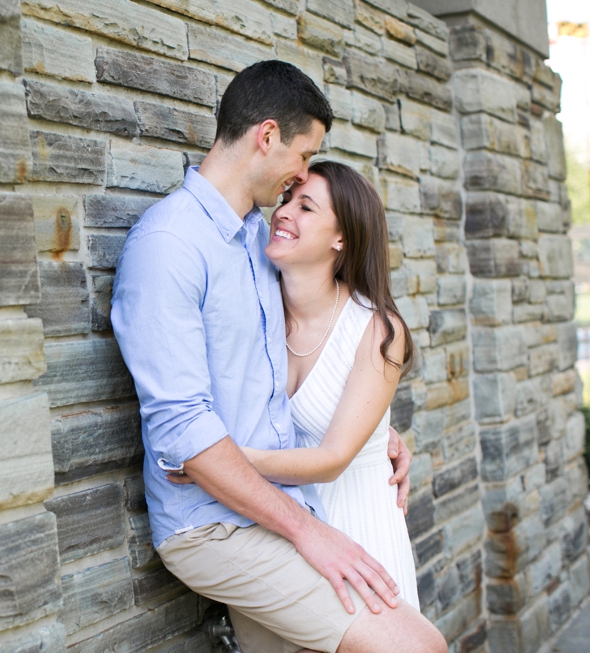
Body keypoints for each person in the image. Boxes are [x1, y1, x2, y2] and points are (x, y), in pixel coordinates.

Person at [110, 60, 446, 653]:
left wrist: (376, 434)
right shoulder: (170, 245)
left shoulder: (256, 243)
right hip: (215, 524)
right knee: (418, 646)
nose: (302, 173)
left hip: (278, 507)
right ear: (267, 136)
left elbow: (313, 355)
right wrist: (308, 532)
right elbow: (183, 429)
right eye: (304, 154)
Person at [169, 160, 427, 613]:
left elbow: (331, 460)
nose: (284, 211)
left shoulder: (377, 329)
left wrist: (216, 462)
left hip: (357, 520)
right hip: (283, 524)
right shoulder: (256, 303)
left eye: (306, 207)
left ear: (341, 237)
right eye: (287, 199)